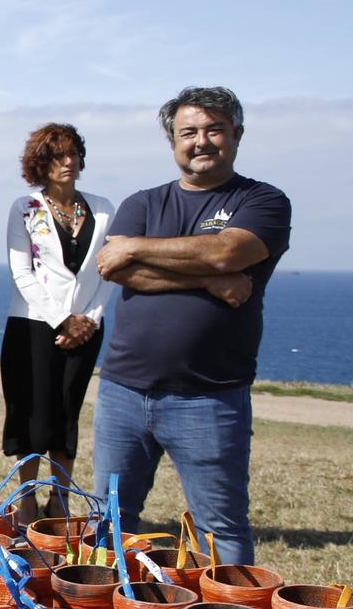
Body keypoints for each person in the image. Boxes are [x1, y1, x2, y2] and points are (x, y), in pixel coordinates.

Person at [93, 87, 290, 564]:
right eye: (189, 132)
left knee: (219, 527)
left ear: (236, 135)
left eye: (213, 130)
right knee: (110, 519)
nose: (201, 141)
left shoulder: (262, 201)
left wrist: (138, 247)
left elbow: (227, 250)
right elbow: (115, 269)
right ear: (174, 142)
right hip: (123, 390)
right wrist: (209, 280)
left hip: (209, 396)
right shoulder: (142, 202)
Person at [0, 124, 113, 516]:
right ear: (40, 163)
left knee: (67, 413)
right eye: (57, 156)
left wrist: (89, 320)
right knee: (31, 413)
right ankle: (28, 498)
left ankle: (60, 499)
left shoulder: (102, 209)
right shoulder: (24, 208)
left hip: (87, 327)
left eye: (72, 154)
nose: (68, 162)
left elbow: (107, 271)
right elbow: (22, 272)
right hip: (32, 325)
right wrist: (62, 320)